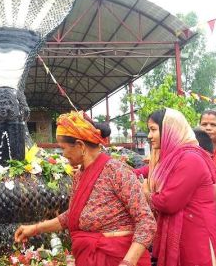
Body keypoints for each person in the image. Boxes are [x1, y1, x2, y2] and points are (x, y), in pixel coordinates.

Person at [15, 111, 156, 266]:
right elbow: (73, 216)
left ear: (80, 146)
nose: (63, 154)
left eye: (63, 148)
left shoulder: (116, 171)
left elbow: (146, 221)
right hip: (90, 258)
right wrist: (35, 229)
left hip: (116, 258)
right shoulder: (79, 176)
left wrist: (127, 263)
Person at [143, 108, 216, 266]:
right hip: (187, 232)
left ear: (170, 130)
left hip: (197, 238)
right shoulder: (173, 158)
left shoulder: (190, 159)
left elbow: (169, 202)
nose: (149, 136)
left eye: (153, 130)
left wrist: (148, 194)